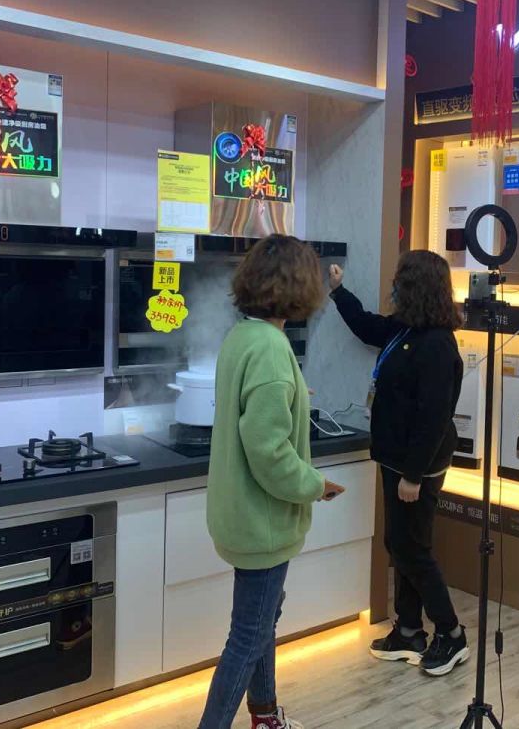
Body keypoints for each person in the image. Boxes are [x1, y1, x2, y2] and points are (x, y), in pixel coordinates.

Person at [199, 235, 346, 729]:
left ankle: (264, 716)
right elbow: (269, 452)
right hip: (261, 522)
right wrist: (315, 485)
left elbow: (256, 420)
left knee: (262, 622)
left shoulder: (243, 336)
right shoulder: (270, 349)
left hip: (240, 515)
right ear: (300, 286)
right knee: (248, 635)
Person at [329, 251, 469, 677]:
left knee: (411, 548)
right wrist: (338, 291)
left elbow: (434, 418)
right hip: (396, 458)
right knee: (401, 543)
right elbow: (367, 325)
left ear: (414, 287)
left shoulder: (438, 345)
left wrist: (412, 475)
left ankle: (451, 633)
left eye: (399, 281)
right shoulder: (406, 329)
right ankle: (409, 630)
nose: (393, 288)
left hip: (417, 465)